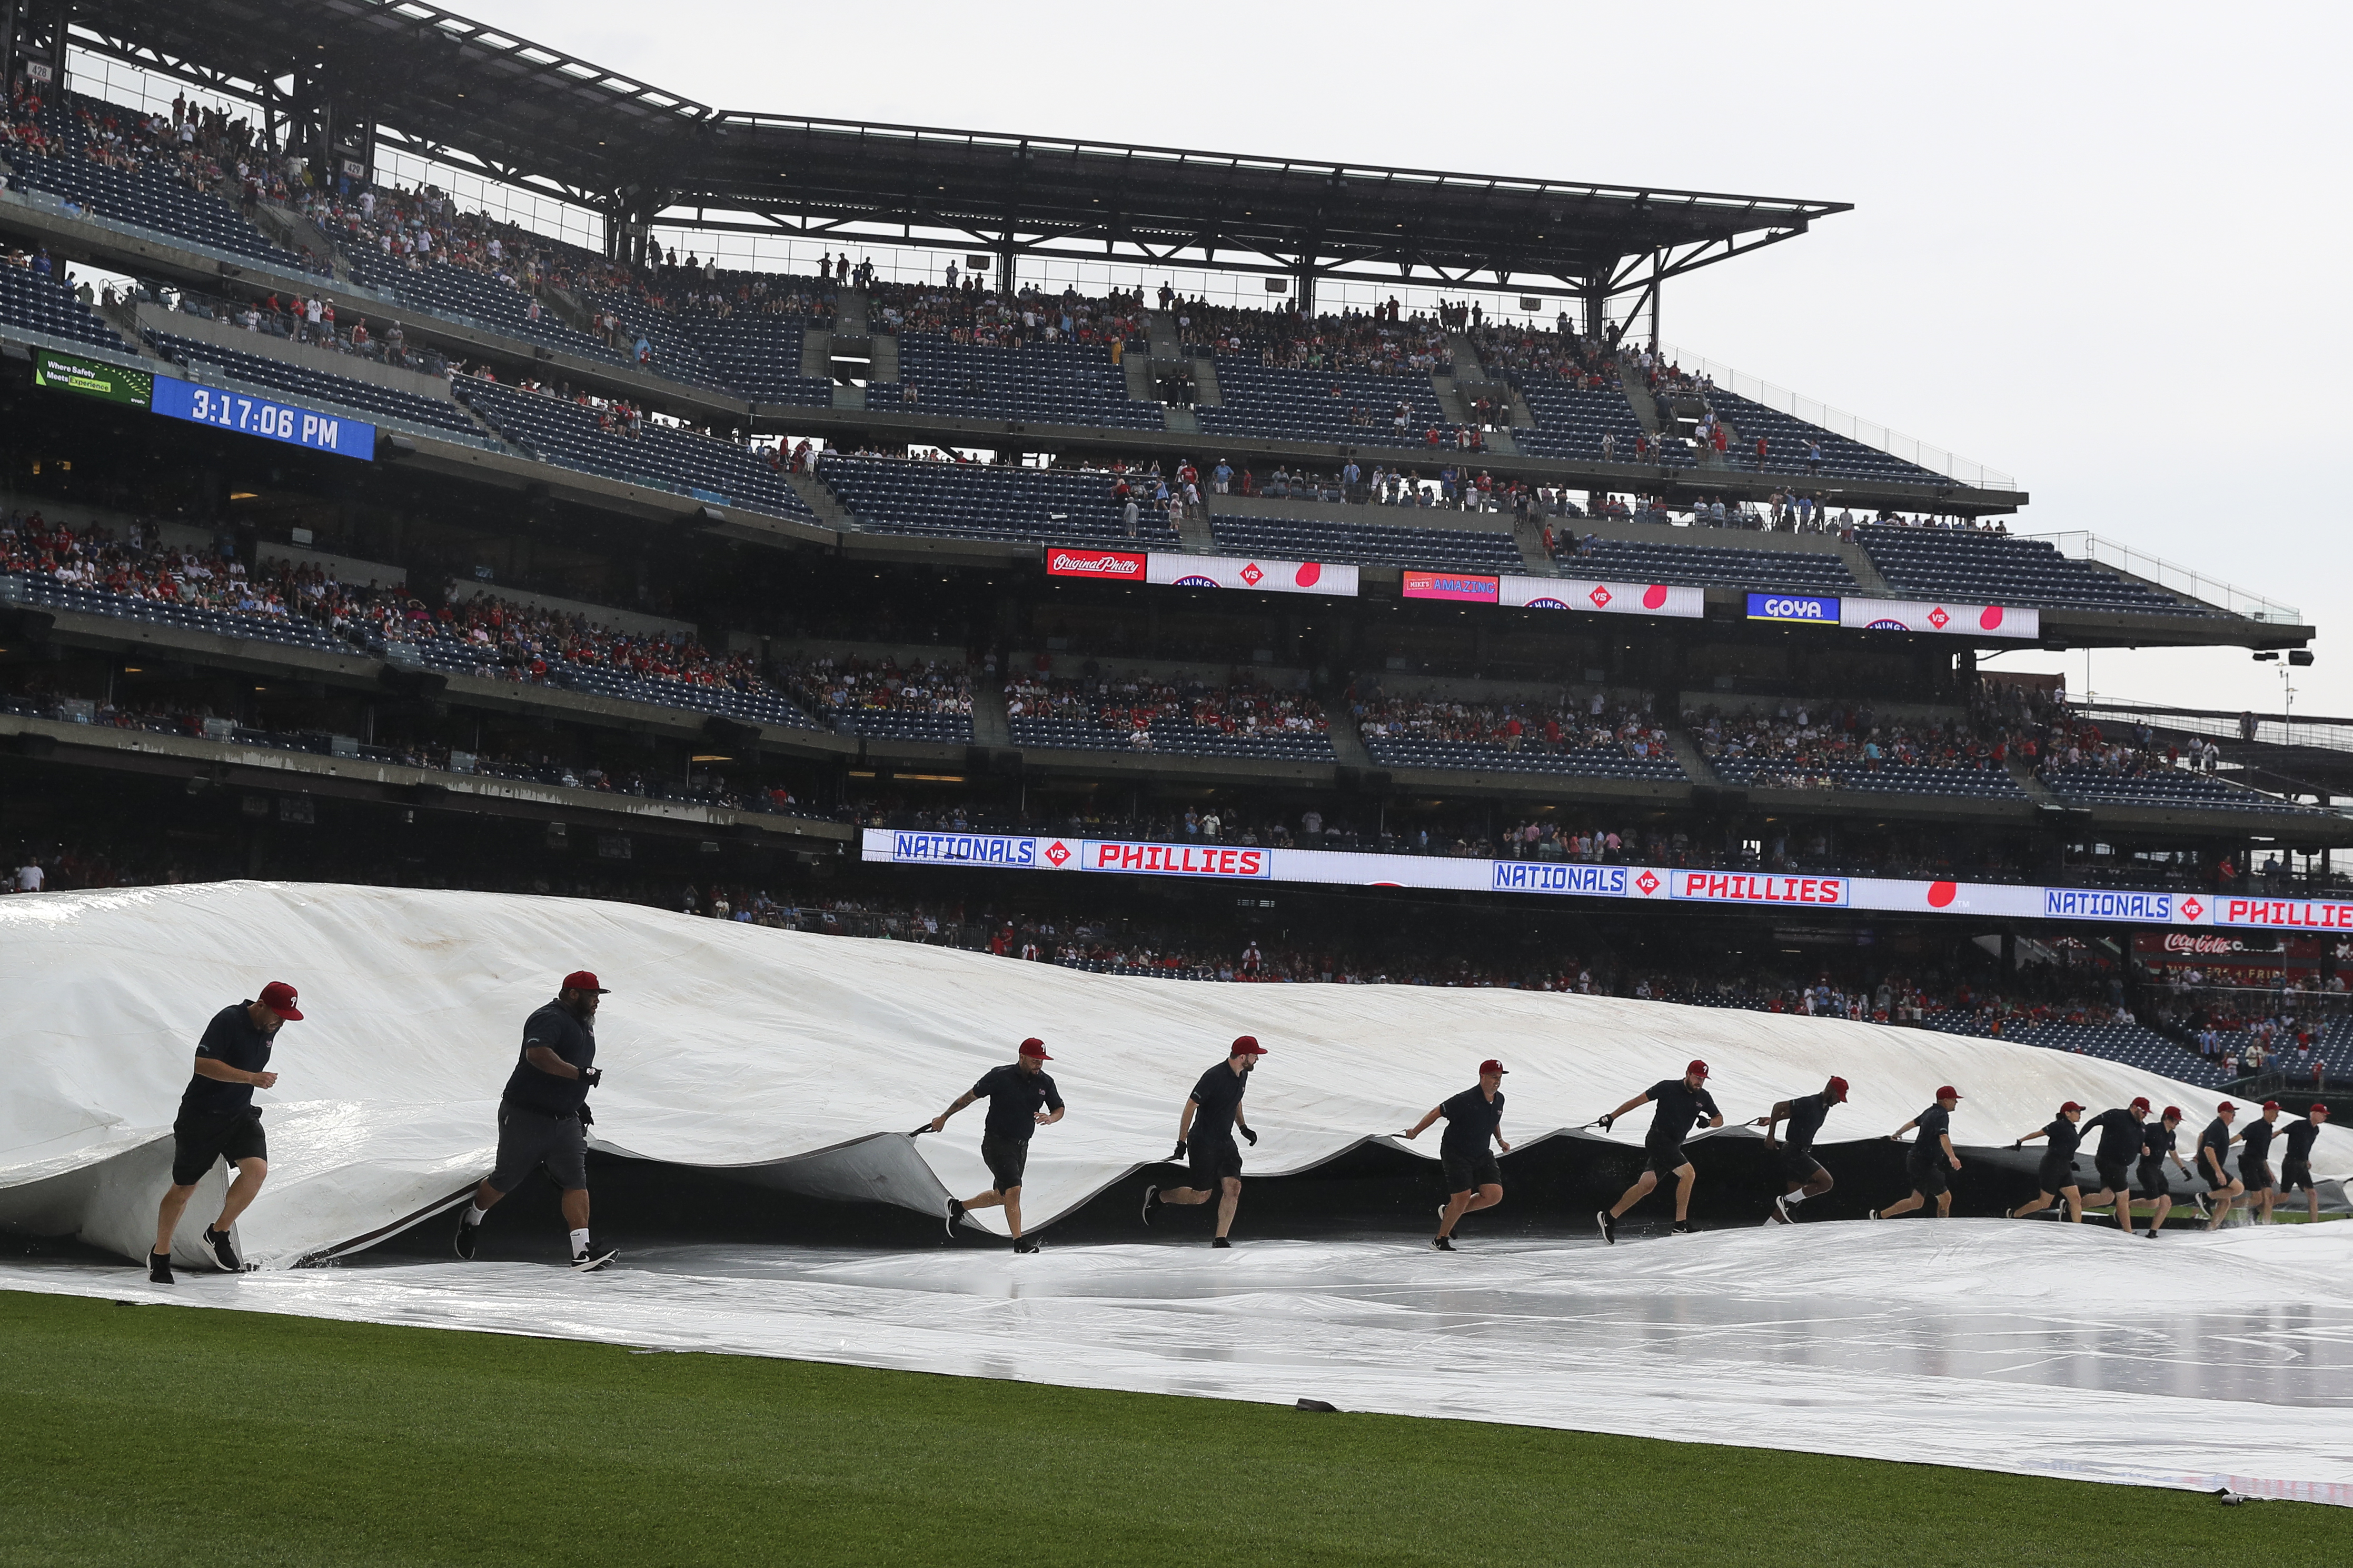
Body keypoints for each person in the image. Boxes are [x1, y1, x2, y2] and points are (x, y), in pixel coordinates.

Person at [453, 971, 617, 1271]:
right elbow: (538, 1056)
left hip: (565, 1120)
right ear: (572, 994)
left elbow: (571, 1068)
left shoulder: (585, 1025)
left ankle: (582, 1253)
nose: (597, 1001)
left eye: (598, 995)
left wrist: (579, 1103)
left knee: (575, 1180)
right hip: (526, 1115)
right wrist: (581, 1076)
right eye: (592, 994)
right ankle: (473, 1216)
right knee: (507, 1178)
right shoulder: (549, 1018)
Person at [148, 982, 305, 1283]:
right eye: (278, 1015)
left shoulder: (270, 1027)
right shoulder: (229, 1020)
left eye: (287, 1017)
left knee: (257, 1171)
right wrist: (252, 1078)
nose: (281, 1023)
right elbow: (203, 1065)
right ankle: (160, 1255)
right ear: (260, 1004)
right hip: (202, 1116)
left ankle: (218, 1233)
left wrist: (250, 1084)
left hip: (239, 1113)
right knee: (184, 1189)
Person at [931, 1037, 1065, 1253]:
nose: (1039, 1064)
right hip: (996, 1143)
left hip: (1021, 1147)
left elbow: (1059, 1108)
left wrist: (1051, 1117)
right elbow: (970, 1097)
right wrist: (945, 1117)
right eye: (1035, 1060)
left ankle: (958, 1207)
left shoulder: (1045, 1082)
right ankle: (1019, 1243)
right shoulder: (1000, 1076)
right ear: (1022, 1057)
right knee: (1014, 1190)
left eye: (1042, 1060)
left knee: (1003, 1196)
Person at [1142, 1036, 1264, 1247]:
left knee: (1233, 1188)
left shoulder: (1242, 1074)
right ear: (1243, 1056)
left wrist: (1243, 1127)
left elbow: (1237, 1100)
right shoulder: (1213, 1077)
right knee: (1201, 1196)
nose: (1257, 1060)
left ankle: (1220, 1239)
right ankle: (1159, 1197)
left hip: (1225, 1142)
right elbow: (1190, 1106)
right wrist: (1182, 1142)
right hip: (1203, 1142)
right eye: (1255, 1056)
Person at [1594, 1060, 1723, 1242]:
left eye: (1703, 1079)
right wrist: (1611, 1116)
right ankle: (1680, 1226)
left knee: (1646, 1186)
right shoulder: (1667, 1087)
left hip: (1673, 1145)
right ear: (1687, 1073)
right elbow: (1637, 1101)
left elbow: (1720, 1119)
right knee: (1688, 1174)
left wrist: (1709, 1123)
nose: (1699, 1082)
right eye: (1696, 1077)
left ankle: (1609, 1217)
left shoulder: (1703, 1097)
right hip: (1657, 1140)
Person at [1401, 1059, 1511, 1251]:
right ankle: (1440, 1239)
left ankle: (1449, 1212)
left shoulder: (1499, 1099)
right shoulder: (1466, 1099)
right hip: (1456, 1153)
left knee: (1494, 1195)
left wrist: (1500, 1140)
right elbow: (1437, 1111)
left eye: (1500, 1078)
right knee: (1461, 1197)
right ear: (1482, 1076)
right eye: (1494, 1077)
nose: (1497, 1082)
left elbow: (1493, 1119)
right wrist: (1415, 1132)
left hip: (1482, 1153)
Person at [1754, 1075, 1846, 1222]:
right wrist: (1770, 1135)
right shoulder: (1810, 1102)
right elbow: (1779, 1106)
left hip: (1801, 1151)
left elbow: (1794, 1115)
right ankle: (1785, 1201)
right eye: (1838, 1097)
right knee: (1826, 1183)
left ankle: (1766, 1230)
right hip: (1793, 1152)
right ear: (1830, 1090)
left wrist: (1772, 1119)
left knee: (1792, 1202)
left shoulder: (1825, 1108)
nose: (1839, 1101)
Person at [1872, 1085, 1962, 1220]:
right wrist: (1952, 1157)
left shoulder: (1930, 1111)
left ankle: (1879, 1215)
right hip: (1923, 1163)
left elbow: (1913, 1123)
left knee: (1916, 1202)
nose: (1956, 1102)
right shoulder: (1942, 1115)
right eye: (1954, 1099)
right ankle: (1943, 1229)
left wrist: (1898, 1133)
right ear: (1945, 1100)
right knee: (1945, 1198)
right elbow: (1943, 1137)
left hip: (1915, 1160)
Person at [2076, 1097, 2155, 1233]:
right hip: (2108, 1161)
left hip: (2121, 1166)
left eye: (2147, 1113)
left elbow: (2136, 1147)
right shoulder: (2116, 1115)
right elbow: (2093, 1122)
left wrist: (2143, 1151)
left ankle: (2073, 1206)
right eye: (2143, 1112)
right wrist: (2079, 1137)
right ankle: (2128, 1231)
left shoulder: (2141, 1128)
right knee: (2124, 1196)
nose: (2145, 1115)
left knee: (2106, 1197)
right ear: (2135, 1108)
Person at [2007, 1102, 2086, 1222]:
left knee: (2076, 1200)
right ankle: (2015, 1214)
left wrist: (2071, 1161)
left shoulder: (2072, 1128)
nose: (2079, 1114)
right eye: (2077, 1111)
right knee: (2044, 1203)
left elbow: (2066, 1147)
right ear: (2067, 1113)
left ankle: (2077, 1229)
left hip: (2065, 1167)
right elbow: (2040, 1133)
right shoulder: (2059, 1125)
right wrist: (2021, 1141)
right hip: (2052, 1166)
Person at [2136, 1106, 2200, 1237]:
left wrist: (2183, 1168)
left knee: (2166, 1203)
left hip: (2158, 1170)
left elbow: (2173, 1152)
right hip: (2146, 1168)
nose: (2177, 1123)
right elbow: (2139, 1138)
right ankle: (2128, 1205)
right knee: (2154, 1202)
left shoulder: (2172, 1135)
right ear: (2167, 1118)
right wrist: (2144, 1148)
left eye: (2178, 1121)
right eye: (2175, 1120)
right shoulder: (2153, 1128)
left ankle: (2153, 1232)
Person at [2197, 1101, 2244, 1230]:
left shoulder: (2220, 1126)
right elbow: (2209, 1149)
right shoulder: (2218, 1127)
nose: (2234, 1115)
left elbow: (2202, 1135)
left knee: (2225, 1200)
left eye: (2234, 1112)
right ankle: (2205, 1197)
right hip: (2210, 1167)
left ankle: (2212, 1228)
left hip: (2207, 1165)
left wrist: (2198, 1154)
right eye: (2231, 1112)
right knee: (2238, 1188)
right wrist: (2219, 1172)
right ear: (2223, 1113)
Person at [2280, 1103, 2330, 1223]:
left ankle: (2314, 1224)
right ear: (2314, 1114)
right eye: (2323, 1115)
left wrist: (2306, 1159)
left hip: (2302, 1164)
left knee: (2312, 1194)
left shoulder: (2316, 1130)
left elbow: (2306, 1145)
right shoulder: (2298, 1125)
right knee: (2284, 1196)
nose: (2325, 1118)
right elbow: (2280, 1132)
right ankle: (2261, 1209)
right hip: (2291, 1163)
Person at [2239, 1100, 2283, 1224]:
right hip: (2249, 1162)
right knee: (2257, 1199)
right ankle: (2227, 1205)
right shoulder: (2255, 1126)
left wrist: (2268, 1170)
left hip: (2260, 1162)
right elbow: (2239, 1137)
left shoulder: (2269, 1129)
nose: (2277, 1115)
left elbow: (2263, 1154)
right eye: (2275, 1112)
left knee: (2269, 1197)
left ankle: (2266, 1224)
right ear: (2267, 1112)